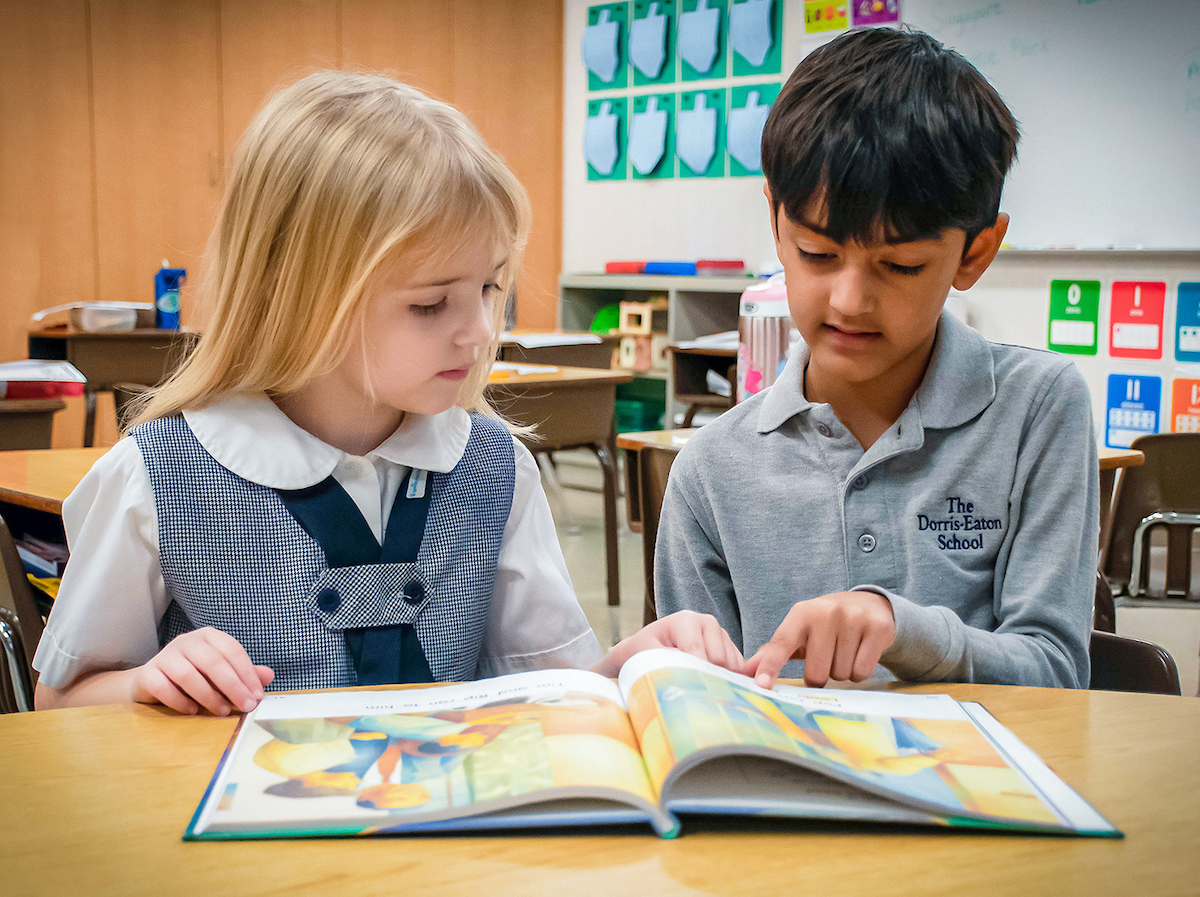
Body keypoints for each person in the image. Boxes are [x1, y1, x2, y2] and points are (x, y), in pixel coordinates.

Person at [33, 71, 740, 716]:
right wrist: (144, 682)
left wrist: (636, 661)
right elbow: (60, 701)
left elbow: (551, 686)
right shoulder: (154, 476)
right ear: (297, 294)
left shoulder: (494, 467)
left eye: (491, 287)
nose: (480, 331)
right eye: (431, 305)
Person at [655, 28, 1098, 690]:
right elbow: (698, 703)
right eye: (818, 254)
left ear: (975, 252)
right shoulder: (711, 470)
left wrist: (906, 631)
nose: (851, 299)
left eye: (900, 265)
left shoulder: (1039, 407)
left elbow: (1056, 671)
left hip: (979, 789)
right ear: (777, 221)